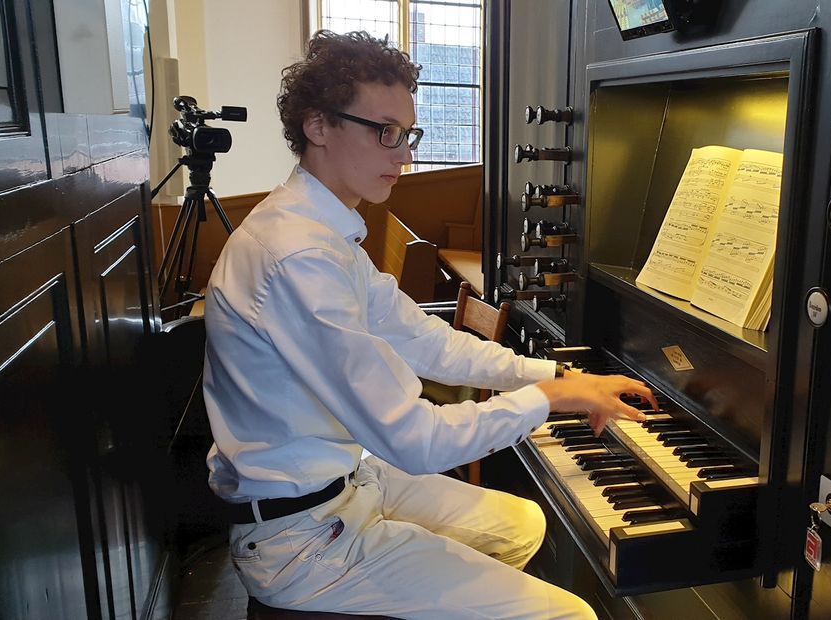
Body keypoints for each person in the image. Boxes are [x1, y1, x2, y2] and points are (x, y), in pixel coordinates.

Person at [202, 30, 656, 619]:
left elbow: (423, 337)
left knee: (521, 523)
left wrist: (555, 372)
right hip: (303, 540)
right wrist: (548, 398)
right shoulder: (298, 255)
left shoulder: (323, 230)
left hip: (348, 483)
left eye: (407, 134)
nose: (405, 154)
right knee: (571, 615)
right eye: (384, 132)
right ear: (317, 126)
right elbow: (416, 441)